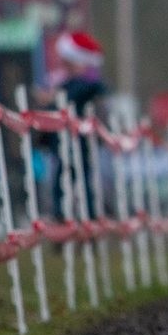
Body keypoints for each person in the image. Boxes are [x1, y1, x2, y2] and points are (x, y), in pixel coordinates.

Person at [37, 30, 108, 222]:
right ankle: (65, 218)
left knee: (80, 184)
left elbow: (65, 103)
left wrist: (50, 99)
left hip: (79, 142)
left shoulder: (87, 84)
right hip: (62, 142)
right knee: (63, 183)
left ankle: (85, 219)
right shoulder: (65, 82)